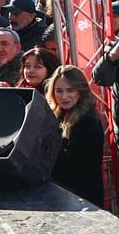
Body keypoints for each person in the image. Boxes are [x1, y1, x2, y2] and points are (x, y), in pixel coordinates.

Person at [45, 64, 106, 205]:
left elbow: (76, 165)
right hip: (65, 193)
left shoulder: (87, 120)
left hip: (83, 197)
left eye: (70, 90)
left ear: (80, 91)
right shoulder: (58, 116)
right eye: (59, 91)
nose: (64, 96)